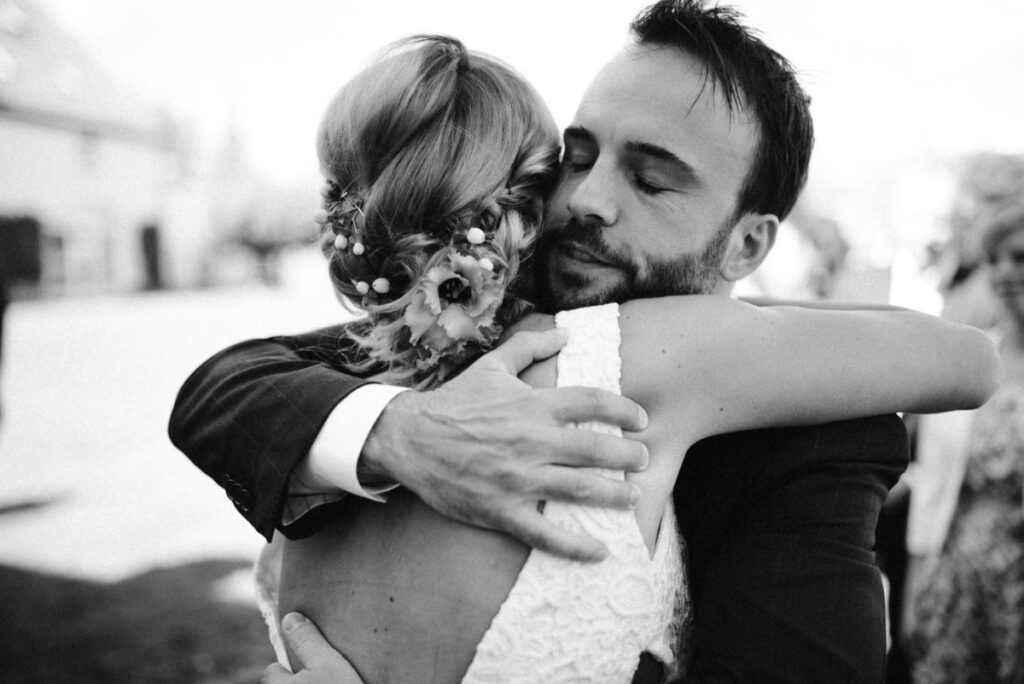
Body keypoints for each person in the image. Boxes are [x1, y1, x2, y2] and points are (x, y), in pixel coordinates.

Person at [169, 2, 996, 680]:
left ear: (749, 244)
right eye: (577, 157)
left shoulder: (817, 434)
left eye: (652, 178)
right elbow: (228, 385)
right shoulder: (444, 352)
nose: (587, 200)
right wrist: (398, 434)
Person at [903, 201, 1024, 682]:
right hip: (959, 577)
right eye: (994, 260)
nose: (1005, 272)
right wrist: (915, 584)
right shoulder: (971, 358)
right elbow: (934, 481)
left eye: (1020, 258)